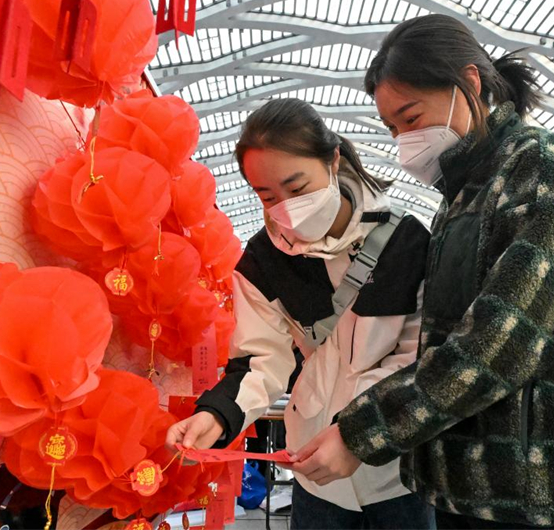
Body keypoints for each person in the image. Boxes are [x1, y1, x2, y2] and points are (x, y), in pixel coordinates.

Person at [288, 14, 554, 530]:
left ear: (469, 83)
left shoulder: (544, 169)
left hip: (539, 498)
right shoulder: (455, 204)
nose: (404, 139)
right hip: (465, 491)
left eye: (411, 117)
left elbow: (503, 337)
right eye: (392, 128)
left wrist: (364, 431)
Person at [166, 98, 434, 529]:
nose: (285, 207)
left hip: (397, 471)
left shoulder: (406, 242)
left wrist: (356, 434)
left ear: (333, 160)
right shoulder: (261, 262)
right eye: (266, 195)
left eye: (297, 187)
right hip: (314, 474)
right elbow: (260, 361)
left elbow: (417, 359)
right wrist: (215, 415)